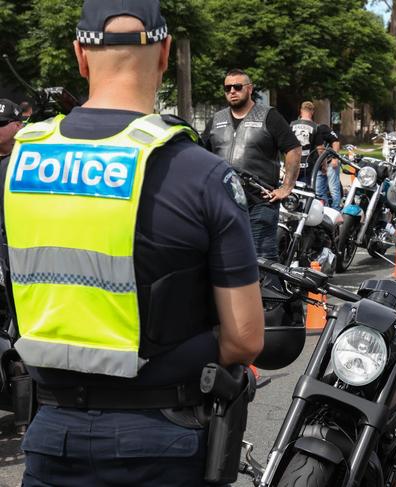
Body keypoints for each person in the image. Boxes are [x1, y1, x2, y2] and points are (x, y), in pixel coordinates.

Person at [2, 1, 265, 485]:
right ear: (165, 53)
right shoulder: (200, 172)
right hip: (161, 440)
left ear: (80, 55)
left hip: (49, 438)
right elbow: (245, 337)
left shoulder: (17, 167)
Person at [203, 69, 301, 262]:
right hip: (222, 202)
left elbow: (293, 149)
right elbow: (200, 153)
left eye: (237, 87)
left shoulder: (268, 116)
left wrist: (286, 187)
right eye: (227, 88)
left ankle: (268, 292)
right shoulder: (217, 119)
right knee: (223, 258)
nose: (232, 91)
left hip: (259, 200)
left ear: (249, 89)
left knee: (261, 260)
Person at [290, 100, 321, 184]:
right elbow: (320, 149)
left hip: (293, 163)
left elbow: (287, 146)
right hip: (308, 164)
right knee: (305, 190)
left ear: (301, 110)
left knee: (291, 189)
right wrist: (324, 165)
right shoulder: (315, 127)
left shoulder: (292, 125)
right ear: (312, 111)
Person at [315, 123, 343, 210]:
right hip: (318, 165)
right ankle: (325, 210)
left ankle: (336, 210)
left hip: (330, 162)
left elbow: (336, 141)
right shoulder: (308, 131)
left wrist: (335, 157)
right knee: (319, 191)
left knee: (334, 190)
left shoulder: (321, 128)